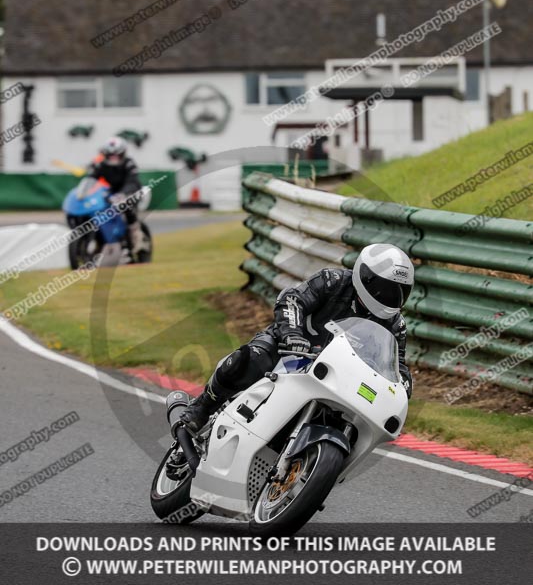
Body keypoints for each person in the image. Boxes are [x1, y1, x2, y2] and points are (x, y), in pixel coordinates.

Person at [179, 243, 414, 434]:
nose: (392, 297)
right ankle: (201, 407)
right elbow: (292, 299)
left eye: (400, 292)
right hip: (294, 351)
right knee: (252, 358)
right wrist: (293, 334)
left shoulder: (395, 324)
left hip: (340, 378)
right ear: (366, 277)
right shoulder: (333, 281)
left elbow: (397, 364)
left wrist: (401, 388)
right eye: (386, 288)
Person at [86, 136, 144, 253]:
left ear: (122, 153)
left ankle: (135, 233)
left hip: (131, 190)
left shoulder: (129, 163)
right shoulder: (100, 165)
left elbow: (132, 181)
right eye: (110, 155)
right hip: (111, 192)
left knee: (127, 206)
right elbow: (91, 179)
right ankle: (100, 237)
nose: (113, 158)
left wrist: (123, 194)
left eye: (116, 155)